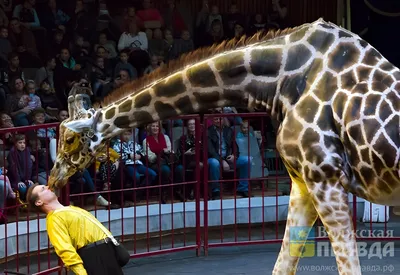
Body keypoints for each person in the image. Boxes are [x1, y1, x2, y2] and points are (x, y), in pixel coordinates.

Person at [26, 183, 126, 275]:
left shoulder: (71, 208)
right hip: (93, 255)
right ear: (39, 202)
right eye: (43, 189)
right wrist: (81, 273)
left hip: (105, 251)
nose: (48, 187)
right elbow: (65, 249)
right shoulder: (53, 219)